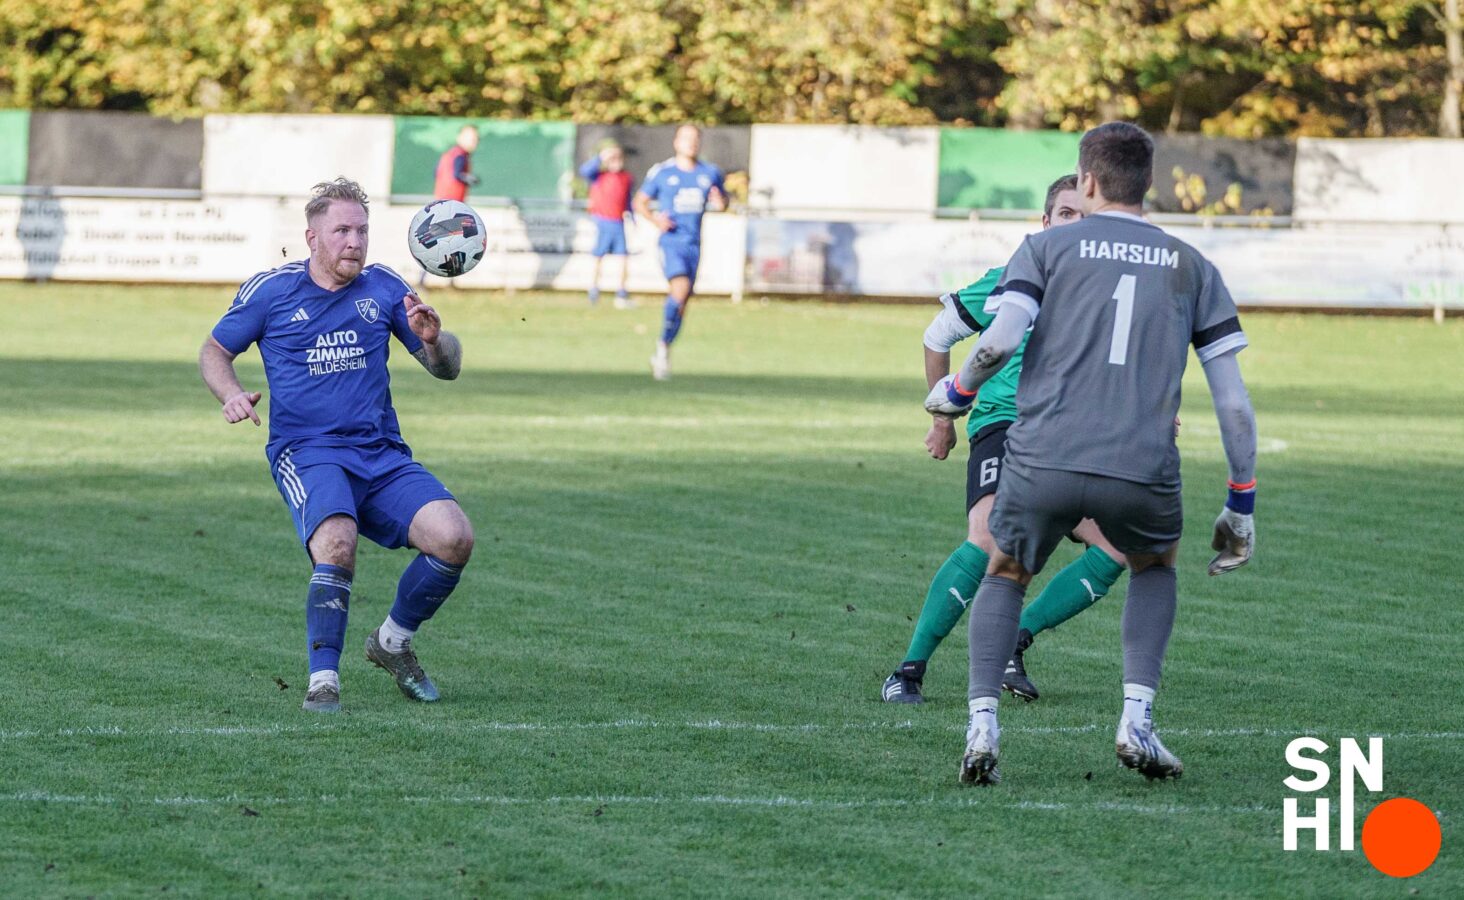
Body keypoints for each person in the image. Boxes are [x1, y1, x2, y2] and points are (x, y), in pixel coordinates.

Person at [926, 122, 1258, 785]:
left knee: (1005, 571)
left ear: (1087, 181)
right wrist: (1240, 503)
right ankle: (1136, 719)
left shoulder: (1044, 247)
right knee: (1153, 566)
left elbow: (997, 342)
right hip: (1141, 462)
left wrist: (956, 393)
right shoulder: (1193, 266)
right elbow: (1233, 404)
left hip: (1042, 455)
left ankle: (982, 726)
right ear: (1149, 184)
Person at [198, 177, 474, 714]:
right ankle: (323, 681)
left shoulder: (385, 288)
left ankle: (392, 643)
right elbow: (214, 351)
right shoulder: (271, 292)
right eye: (342, 230)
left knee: (454, 537)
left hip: (381, 454)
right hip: (307, 451)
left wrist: (435, 341)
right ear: (312, 238)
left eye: (362, 231)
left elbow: (447, 369)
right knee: (337, 542)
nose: (354, 241)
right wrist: (230, 394)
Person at [882, 175, 1128, 706]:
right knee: (990, 535)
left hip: (1070, 437)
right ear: (1045, 222)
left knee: (1117, 546)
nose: (1076, 225)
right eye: (1066, 214)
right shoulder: (1006, 281)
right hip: (1006, 424)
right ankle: (908, 671)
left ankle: (1014, 639)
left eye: (1086, 217)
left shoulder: (1108, 294)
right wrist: (943, 418)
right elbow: (937, 335)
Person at [633, 124, 726, 380]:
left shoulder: (710, 172)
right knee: (680, 289)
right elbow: (639, 202)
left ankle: (664, 345)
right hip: (671, 242)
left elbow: (723, 201)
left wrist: (721, 202)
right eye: (686, 138)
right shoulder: (663, 172)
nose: (691, 143)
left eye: (695, 138)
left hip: (694, 244)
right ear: (676, 142)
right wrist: (655, 219)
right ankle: (662, 349)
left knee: (683, 302)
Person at [421, 125, 481, 288]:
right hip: (451, 207)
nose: (474, 142)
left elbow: (436, 173)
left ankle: (441, 280)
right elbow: (457, 174)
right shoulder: (460, 156)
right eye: (471, 138)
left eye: (476, 139)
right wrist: (470, 178)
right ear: (460, 138)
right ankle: (438, 280)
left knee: (439, 242)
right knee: (450, 243)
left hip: (440, 204)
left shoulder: (448, 155)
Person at [579, 141, 635, 308]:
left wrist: (632, 217)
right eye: (613, 158)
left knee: (623, 257)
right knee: (598, 256)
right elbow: (584, 171)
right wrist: (600, 157)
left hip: (618, 222)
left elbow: (627, 200)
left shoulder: (626, 178)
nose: (616, 162)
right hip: (603, 222)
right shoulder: (598, 176)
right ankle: (594, 290)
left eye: (618, 158)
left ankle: (621, 293)